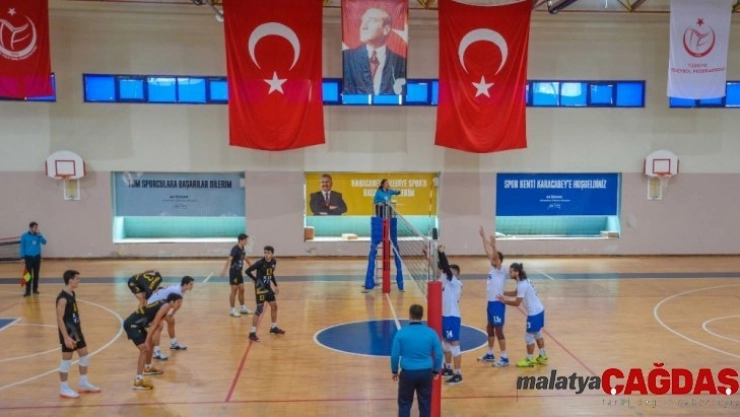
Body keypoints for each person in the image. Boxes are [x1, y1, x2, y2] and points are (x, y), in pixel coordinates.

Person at [390, 304, 443, 417]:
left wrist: (394, 370)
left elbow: (394, 356)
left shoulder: (401, 333)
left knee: (404, 403)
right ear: (422, 316)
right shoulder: (431, 333)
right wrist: (435, 371)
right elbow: (439, 354)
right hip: (426, 373)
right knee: (425, 404)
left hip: (407, 373)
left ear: (410, 315)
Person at [123, 292, 183, 390]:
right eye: (178, 302)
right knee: (144, 349)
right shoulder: (166, 306)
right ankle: (138, 381)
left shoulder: (164, 304)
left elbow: (156, 324)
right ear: (172, 301)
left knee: (151, 343)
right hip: (132, 325)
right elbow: (154, 323)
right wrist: (147, 341)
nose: (179, 304)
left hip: (138, 325)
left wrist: (149, 339)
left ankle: (147, 367)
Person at [55, 270, 101, 398]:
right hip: (69, 333)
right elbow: (59, 319)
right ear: (70, 280)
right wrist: (66, 337)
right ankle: (63, 388)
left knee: (84, 355)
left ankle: (83, 383)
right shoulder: (62, 298)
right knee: (66, 360)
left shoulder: (72, 293)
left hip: (76, 331)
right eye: (77, 279)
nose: (78, 281)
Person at [343, 7, 407, 95]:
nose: (363, 26)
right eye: (362, 21)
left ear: (386, 29)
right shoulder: (347, 58)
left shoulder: (400, 62)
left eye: (371, 21)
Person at [497, 263, 548, 368]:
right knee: (537, 334)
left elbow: (517, 303)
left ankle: (529, 359)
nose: (510, 273)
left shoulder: (522, 284)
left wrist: (504, 301)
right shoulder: (523, 281)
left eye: (511, 271)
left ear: (517, 272)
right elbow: (516, 293)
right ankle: (543, 355)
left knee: (529, 337)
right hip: (540, 310)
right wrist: (503, 292)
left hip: (534, 313)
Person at [477, 227, 509, 367]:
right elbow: (488, 252)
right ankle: (490, 353)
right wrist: (483, 237)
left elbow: (494, 256)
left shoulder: (501, 270)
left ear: (499, 261)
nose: (491, 259)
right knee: (489, 328)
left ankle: (504, 357)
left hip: (497, 304)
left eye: (494, 258)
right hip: (490, 303)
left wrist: (494, 246)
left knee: (498, 330)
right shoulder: (492, 268)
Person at [147, 276, 195, 361]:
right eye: (191, 284)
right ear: (185, 284)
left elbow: (178, 304)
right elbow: (174, 303)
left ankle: (174, 344)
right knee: (159, 327)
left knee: (171, 321)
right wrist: (170, 313)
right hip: (154, 304)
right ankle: (156, 352)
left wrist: (172, 314)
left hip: (161, 304)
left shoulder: (182, 290)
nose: (192, 286)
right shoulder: (177, 291)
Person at [245, 245, 285, 341]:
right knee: (259, 310)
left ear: (272, 254)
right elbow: (247, 271)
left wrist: (275, 285)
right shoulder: (260, 263)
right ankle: (252, 333)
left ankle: (273, 328)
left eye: (268, 253)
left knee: (274, 306)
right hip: (260, 288)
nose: (266, 255)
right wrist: (255, 279)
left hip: (268, 287)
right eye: (265, 253)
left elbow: (271, 274)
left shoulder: (273, 262)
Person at [437, 244, 464, 385]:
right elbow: (438, 268)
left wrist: (441, 253)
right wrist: (427, 256)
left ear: (456, 274)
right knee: (445, 344)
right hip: (444, 316)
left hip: (452, 317)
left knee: (454, 345)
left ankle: (458, 374)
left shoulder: (456, 283)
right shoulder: (445, 280)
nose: (449, 272)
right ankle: (447, 368)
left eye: (452, 271)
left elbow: (445, 269)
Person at [221, 233, 252, 317]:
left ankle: (243, 308)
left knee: (242, 289)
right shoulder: (235, 249)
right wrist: (224, 270)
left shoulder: (242, 248)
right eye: (245, 240)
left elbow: (244, 257)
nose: (246, 241)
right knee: (234, 290)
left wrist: (251, 265)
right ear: (241, 240)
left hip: (239, 272)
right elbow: (229, 259)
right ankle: (232, 310)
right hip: (234, 272)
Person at [20, 221, 47, 297]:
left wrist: (40, 235)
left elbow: (44, 242)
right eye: (35, 227)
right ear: (31, 228)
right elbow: (22, 247)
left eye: (37, 227)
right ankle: (27, 291)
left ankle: (35, 289)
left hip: (37, 257)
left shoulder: (38, 236)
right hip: (28, 258)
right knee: (27, 275)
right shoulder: (24, 236)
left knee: (36, 274)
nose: (36, 229)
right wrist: (22, 257)